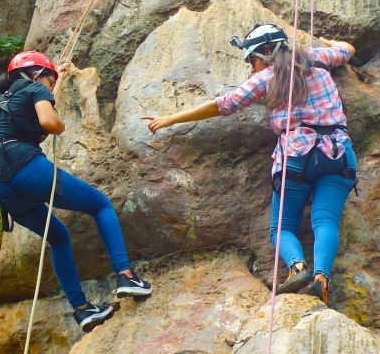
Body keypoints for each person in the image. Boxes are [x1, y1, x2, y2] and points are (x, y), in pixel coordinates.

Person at [143, 24, 356, 305]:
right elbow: (348, 50)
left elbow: (223, 104)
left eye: (252, 60)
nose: (252, 68)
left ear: (268, 52)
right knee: (326, 220)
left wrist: (171, 118)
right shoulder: (316, 57)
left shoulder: (265, 79)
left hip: (296, 156)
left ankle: (298, 267)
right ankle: (321, 279)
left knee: (281, 227)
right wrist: (328, 41)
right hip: (338, 152)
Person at [0, 50, 152, 331]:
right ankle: (126, 276)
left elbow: (39, 103)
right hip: (28, 169)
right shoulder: (33, 88)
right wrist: (60, 125)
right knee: (100, 205)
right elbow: (49, 121)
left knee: (59, 238)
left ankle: (83, 310)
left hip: (4, 188)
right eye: (50, 82)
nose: (51, 89)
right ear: (39, 75)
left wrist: (59, 79)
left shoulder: (4, 99)